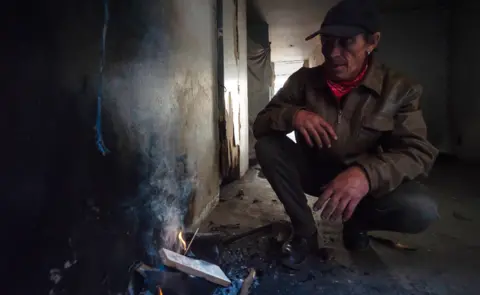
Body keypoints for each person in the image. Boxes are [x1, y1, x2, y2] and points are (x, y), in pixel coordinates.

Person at [253, 0, 439, 270]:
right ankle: (305, 232)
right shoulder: (302, 81)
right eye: (327, 41)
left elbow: (417, 152)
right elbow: (260, 125)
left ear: (372, 42)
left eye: (347, 42)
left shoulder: (401, 89)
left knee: (421, 209)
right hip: (315, 174)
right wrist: (294, 115)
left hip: (365, 188)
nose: (333, 53)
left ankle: (357, 223)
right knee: (268, 146)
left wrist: (366, 175)